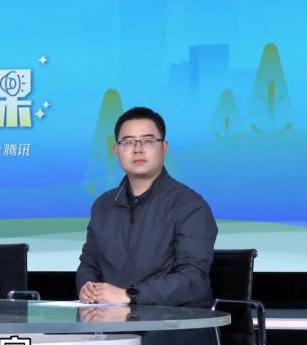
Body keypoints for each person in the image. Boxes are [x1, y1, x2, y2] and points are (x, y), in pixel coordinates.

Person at [76, 107, 218, 308]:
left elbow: (193, 280)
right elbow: (89, 264)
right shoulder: (103, 205)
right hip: (111, 318)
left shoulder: (190, 205)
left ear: (164, 148)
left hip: (174, 321)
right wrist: (87, 287)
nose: (138, 149)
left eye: (148, 141)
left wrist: (131, 295)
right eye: (128, 142)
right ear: (116, 150)